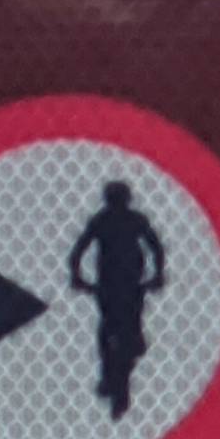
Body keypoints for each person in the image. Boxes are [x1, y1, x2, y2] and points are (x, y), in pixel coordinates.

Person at [67, 180, 167, 420]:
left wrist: (78, 277)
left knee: (111, 326)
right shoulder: (129, 219)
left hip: (115, 285)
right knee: (118, 325)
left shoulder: (105, 219)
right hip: (123, 285)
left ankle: (112, 372)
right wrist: (157, 274)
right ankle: (115, 369)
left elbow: (79, 250)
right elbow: (156, 248)